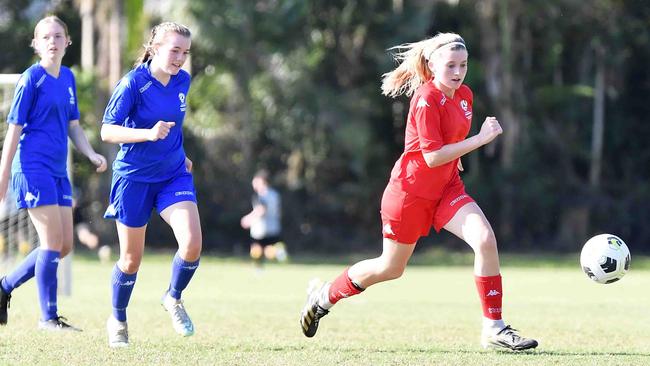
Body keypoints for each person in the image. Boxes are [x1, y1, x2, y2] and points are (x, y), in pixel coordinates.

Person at [299, 33, 538, 351]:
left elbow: (448, 144)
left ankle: (494, 328)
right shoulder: (425, 99)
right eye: (451, 65)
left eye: (463, 64)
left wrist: (460, 157)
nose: (457, 72)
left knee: (485, 239)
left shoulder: (464, 95)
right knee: (390, 268)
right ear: (432, 64)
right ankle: (325, 296)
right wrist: (480, 139)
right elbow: (432, 156)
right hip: (409, 195)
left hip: (446, 189)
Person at [0, 15, 107, 331]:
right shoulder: (31, 79)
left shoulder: (68, 78)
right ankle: (48, 318)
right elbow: (14, 130)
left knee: (64, 246)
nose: (52, 41)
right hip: (32, 169)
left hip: (58, 171)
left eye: (58, 36)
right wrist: (3, 175)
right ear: (35, 44)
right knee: (50, 243)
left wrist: (90, 153)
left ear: (67, 42)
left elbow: (74, 126)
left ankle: (4, 287)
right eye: (45, 37)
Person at [100, 21, 201, 348]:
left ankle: (173, 297)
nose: (180, 59)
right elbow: (107, 131)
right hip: (133, 179)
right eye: (174, 50)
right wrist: (147, 133)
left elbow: (175, 127)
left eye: (185, 52)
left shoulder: (183, 80)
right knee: (131, 260)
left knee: (192, 244)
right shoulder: (132, 84)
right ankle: (117, 318)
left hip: (173, 175)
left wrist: (180, 154)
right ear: (155, 47)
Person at [240, 170, 283, 268]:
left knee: (256, 250)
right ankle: (277, 253)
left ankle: (260, 268)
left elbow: (261, 209)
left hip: (261, 228)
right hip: (274, 227)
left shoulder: (261, 195)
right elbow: (279, 211)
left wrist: (248, 219)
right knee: (268, 249)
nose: (253, 183)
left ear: (262, 181)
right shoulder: (275, 194)